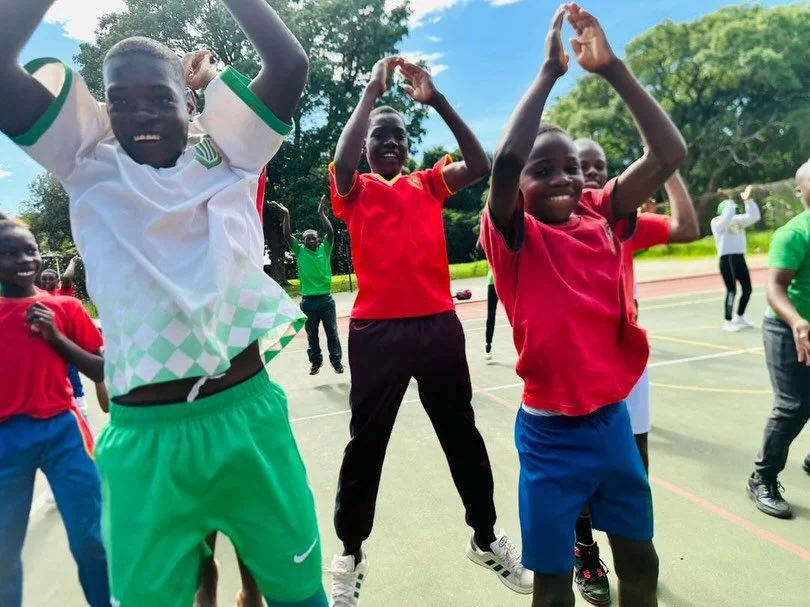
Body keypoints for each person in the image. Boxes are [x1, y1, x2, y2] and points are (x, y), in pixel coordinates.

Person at [0, 2, 328, 606]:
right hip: (145, 441)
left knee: (299, 595)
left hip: (245, 420)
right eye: (119, 101)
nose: (138, 113)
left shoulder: (231, 154)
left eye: (158, 97)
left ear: (190, 103)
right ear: (101, 108)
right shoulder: (84, 163)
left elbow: (289, 62)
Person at [482, 4, 686, 607]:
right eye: (543, 171)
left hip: (611, 422)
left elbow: (668, 155)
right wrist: (548, 73)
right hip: (549, 437)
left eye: (570, 167)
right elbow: (505, 164)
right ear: (519, 190)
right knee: (551, 583)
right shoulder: (513, 236)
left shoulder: (601, 212)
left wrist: (614, 69)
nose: (564, 178)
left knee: (639, 559)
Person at [327, 56, 531, 605]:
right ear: (368, 148)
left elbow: (480, 163)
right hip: (376, 333)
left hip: (438, 327)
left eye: (398, 138)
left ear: (408, 147)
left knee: (460, 433)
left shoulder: (428, 184)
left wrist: (435, 99)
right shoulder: (356, 191)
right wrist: (371, 93)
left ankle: (486, 538)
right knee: (366, 445)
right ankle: (350, 552)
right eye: (380, 139)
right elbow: (344, 161)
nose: (390, 145)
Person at [575, 137, 699, 605]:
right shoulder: (551, 223)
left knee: (634, 469)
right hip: (576, 372)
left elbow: (688, 227)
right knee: (579, 473)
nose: (588, 172)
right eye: (578, 164)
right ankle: (585, 551)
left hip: (628, 368)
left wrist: (664, 168)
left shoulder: (623, 223)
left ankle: (628, 549)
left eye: (597, 165)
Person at [0, 219, 110, 607]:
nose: (24, 260)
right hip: (6, 441)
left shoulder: (65, 308)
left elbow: (100, 370)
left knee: (92, 539)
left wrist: (55, 337)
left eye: (30, 250)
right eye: (10, 253)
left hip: (64, 433)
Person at [747, 160, 810, 520]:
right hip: (788, 328)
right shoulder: (794, 233)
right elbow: (775, 288)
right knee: (792, 406)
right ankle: (762, 478)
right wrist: (798, 322)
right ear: (800, 191)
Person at [275, 196, 344, 375]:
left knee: (332, 333)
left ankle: (336, 362)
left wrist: (321, 214)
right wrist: (287, 215)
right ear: (303, 242)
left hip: (326, 300)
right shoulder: (299, 251)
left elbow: (331, 233)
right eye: (307, 239)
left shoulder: (324, 249)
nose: (311, 241)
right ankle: (315, 362)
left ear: (318, 240)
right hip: (308, 302)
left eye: (313, 238)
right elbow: (287, 236)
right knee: (312, 334)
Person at [711, 186, 761, 332]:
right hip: (727, 259)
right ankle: (727, 320)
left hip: (739, 257)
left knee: (747, 289)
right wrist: (730, 201)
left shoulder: (738, 221)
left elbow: (754, 216)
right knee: (731, 290)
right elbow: (727, 216)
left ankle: (740, 315)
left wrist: (748, 201)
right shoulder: (717, 222)